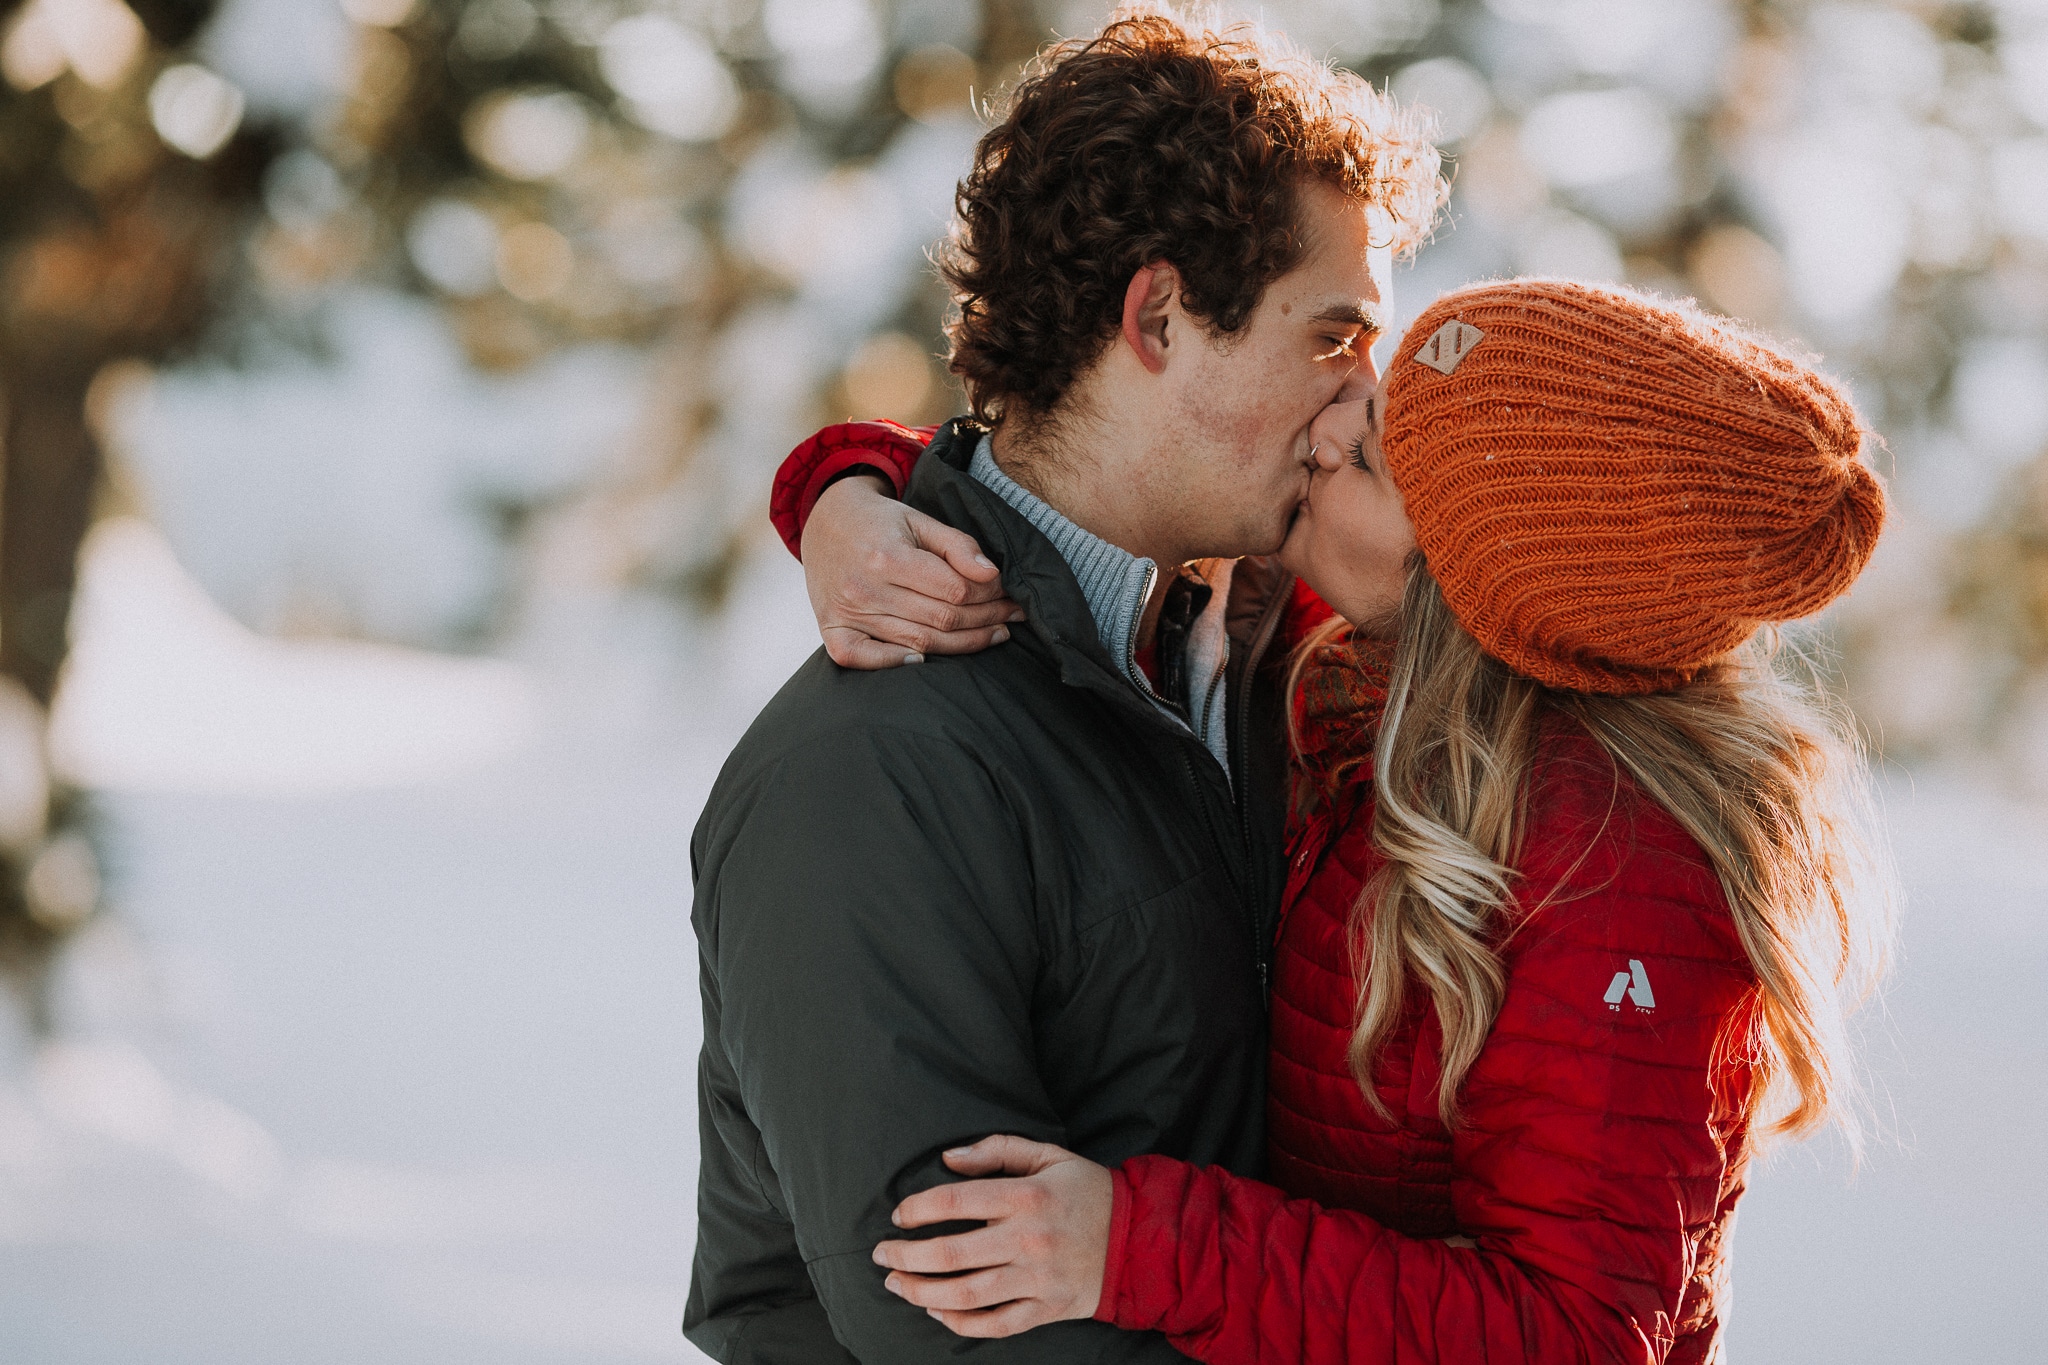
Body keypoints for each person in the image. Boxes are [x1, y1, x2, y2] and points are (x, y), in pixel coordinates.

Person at [774, 280, 1893, 1362]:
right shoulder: (1350, 667)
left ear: (1465, 594)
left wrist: (1143, 1248)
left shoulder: (1614, 868)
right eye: (1375, 388)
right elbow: (1084, 472)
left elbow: (1575, 1335)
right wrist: (849, 494)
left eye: (1365, 456)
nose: (1321, 430)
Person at [685, 9, 1445, 1364]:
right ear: (1155, 317)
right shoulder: (873, 771)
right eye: (1333, 338)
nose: (1358, 408)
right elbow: (963, 1330)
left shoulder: (1274, 650)